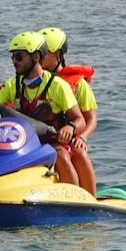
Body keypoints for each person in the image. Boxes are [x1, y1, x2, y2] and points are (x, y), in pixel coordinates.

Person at [0, 31, 88, 186]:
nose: (14, 61)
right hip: (20, 144)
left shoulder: (58, 86)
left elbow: (80, 119)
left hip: (49, 142)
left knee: (61, 156)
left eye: (19, 57)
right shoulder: (12, 85)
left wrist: (70, 127)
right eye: (13, 57)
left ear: (36, 57)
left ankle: (73, 198)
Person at [39, 26, 98, 194]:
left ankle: (88, 198)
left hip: (70, 136)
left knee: (78, 151)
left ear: (57, 54)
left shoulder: (78, 84)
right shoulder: (33, 81)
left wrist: (83, 137)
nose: (40, 57)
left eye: (45, 53)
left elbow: (91, 118)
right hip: (43, 136)